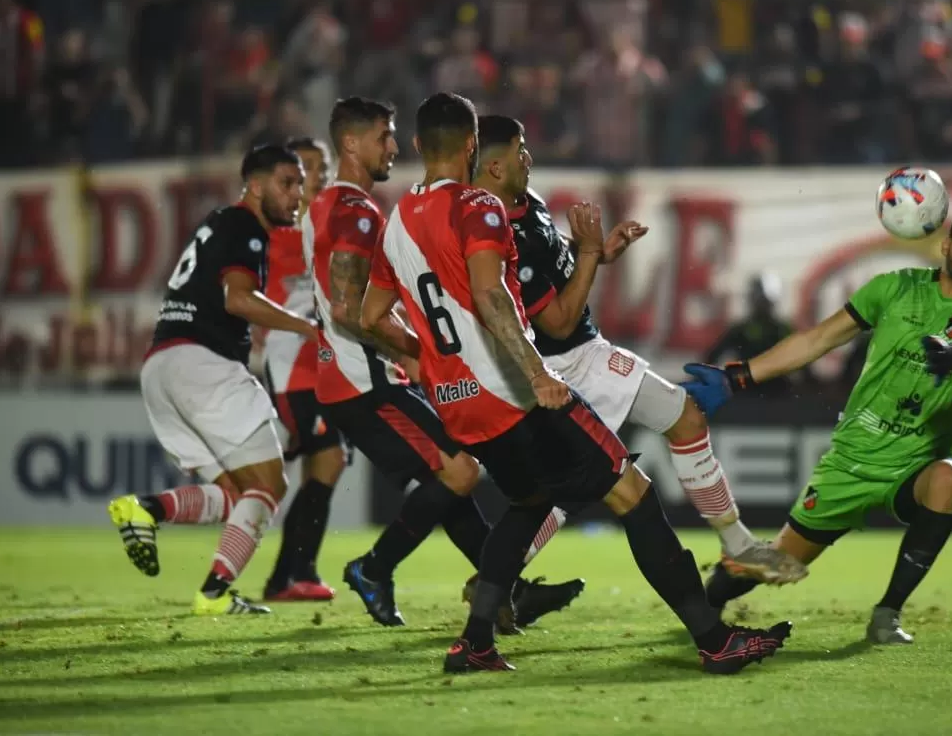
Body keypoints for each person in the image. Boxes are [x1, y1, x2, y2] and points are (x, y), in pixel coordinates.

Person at [361, 92, 791, 674]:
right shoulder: (478, 207)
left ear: (416, 146)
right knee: (632, 493)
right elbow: (492, 297)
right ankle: (716, 640)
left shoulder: (396, 224)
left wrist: (425, 359)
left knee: (528, 503)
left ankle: (475, 642)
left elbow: (366, 317)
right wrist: (538, 374)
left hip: (458, 404)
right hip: (516, 392)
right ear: (470, 147)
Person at [465, 115, 805, 586]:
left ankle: (739, 545)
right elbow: (558, 321)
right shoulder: (500, 233)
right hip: (561, 364)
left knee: (668, 427)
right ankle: (492, 584)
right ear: (495, 167)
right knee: (569, 487)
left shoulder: (529, 203)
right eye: (520, 151)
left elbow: (560, 260)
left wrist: (601, 250)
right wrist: (587, 255)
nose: (530, 158)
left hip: (583, 356)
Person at [683, 205, 952, 644]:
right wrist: (739, 376)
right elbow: (819, 338)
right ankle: (711, 600)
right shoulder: (894, 288)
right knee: (772, 566)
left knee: (948, 479)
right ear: (946, 244)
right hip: (852, 460)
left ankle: (888, 614)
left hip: (918, 462)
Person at [306, 97, 580, 629]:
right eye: (382, 136)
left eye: (393, 136)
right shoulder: (361, 213)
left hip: (346, 375)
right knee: (461, 470)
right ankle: (374, 567)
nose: (391, 146)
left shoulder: (323, 206)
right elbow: (351, 309)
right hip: (364, 376)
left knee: (452, 479)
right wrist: (423, 348)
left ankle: (506, 593)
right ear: (351, 144)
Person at [107, 145, 316, 616]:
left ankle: (148, 510)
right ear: (256, 185)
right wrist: (307, 327)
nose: (297, 195)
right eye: (287, 182)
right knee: (269, 485)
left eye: (300, 184)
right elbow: (238, 300)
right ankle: (214, 593)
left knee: (237, 497)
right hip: (203, 364)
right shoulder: (246, 226)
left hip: (162, 365)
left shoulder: (220, 222)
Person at [259, 136, 345, 602]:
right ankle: (294, 573)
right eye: (307, 167)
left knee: (324, 463)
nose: (319, 175)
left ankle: (288, 577)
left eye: (323, 166)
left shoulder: (324, 223)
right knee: (328, 459)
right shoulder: (281, 231)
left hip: (325, 365)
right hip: (293, 365)